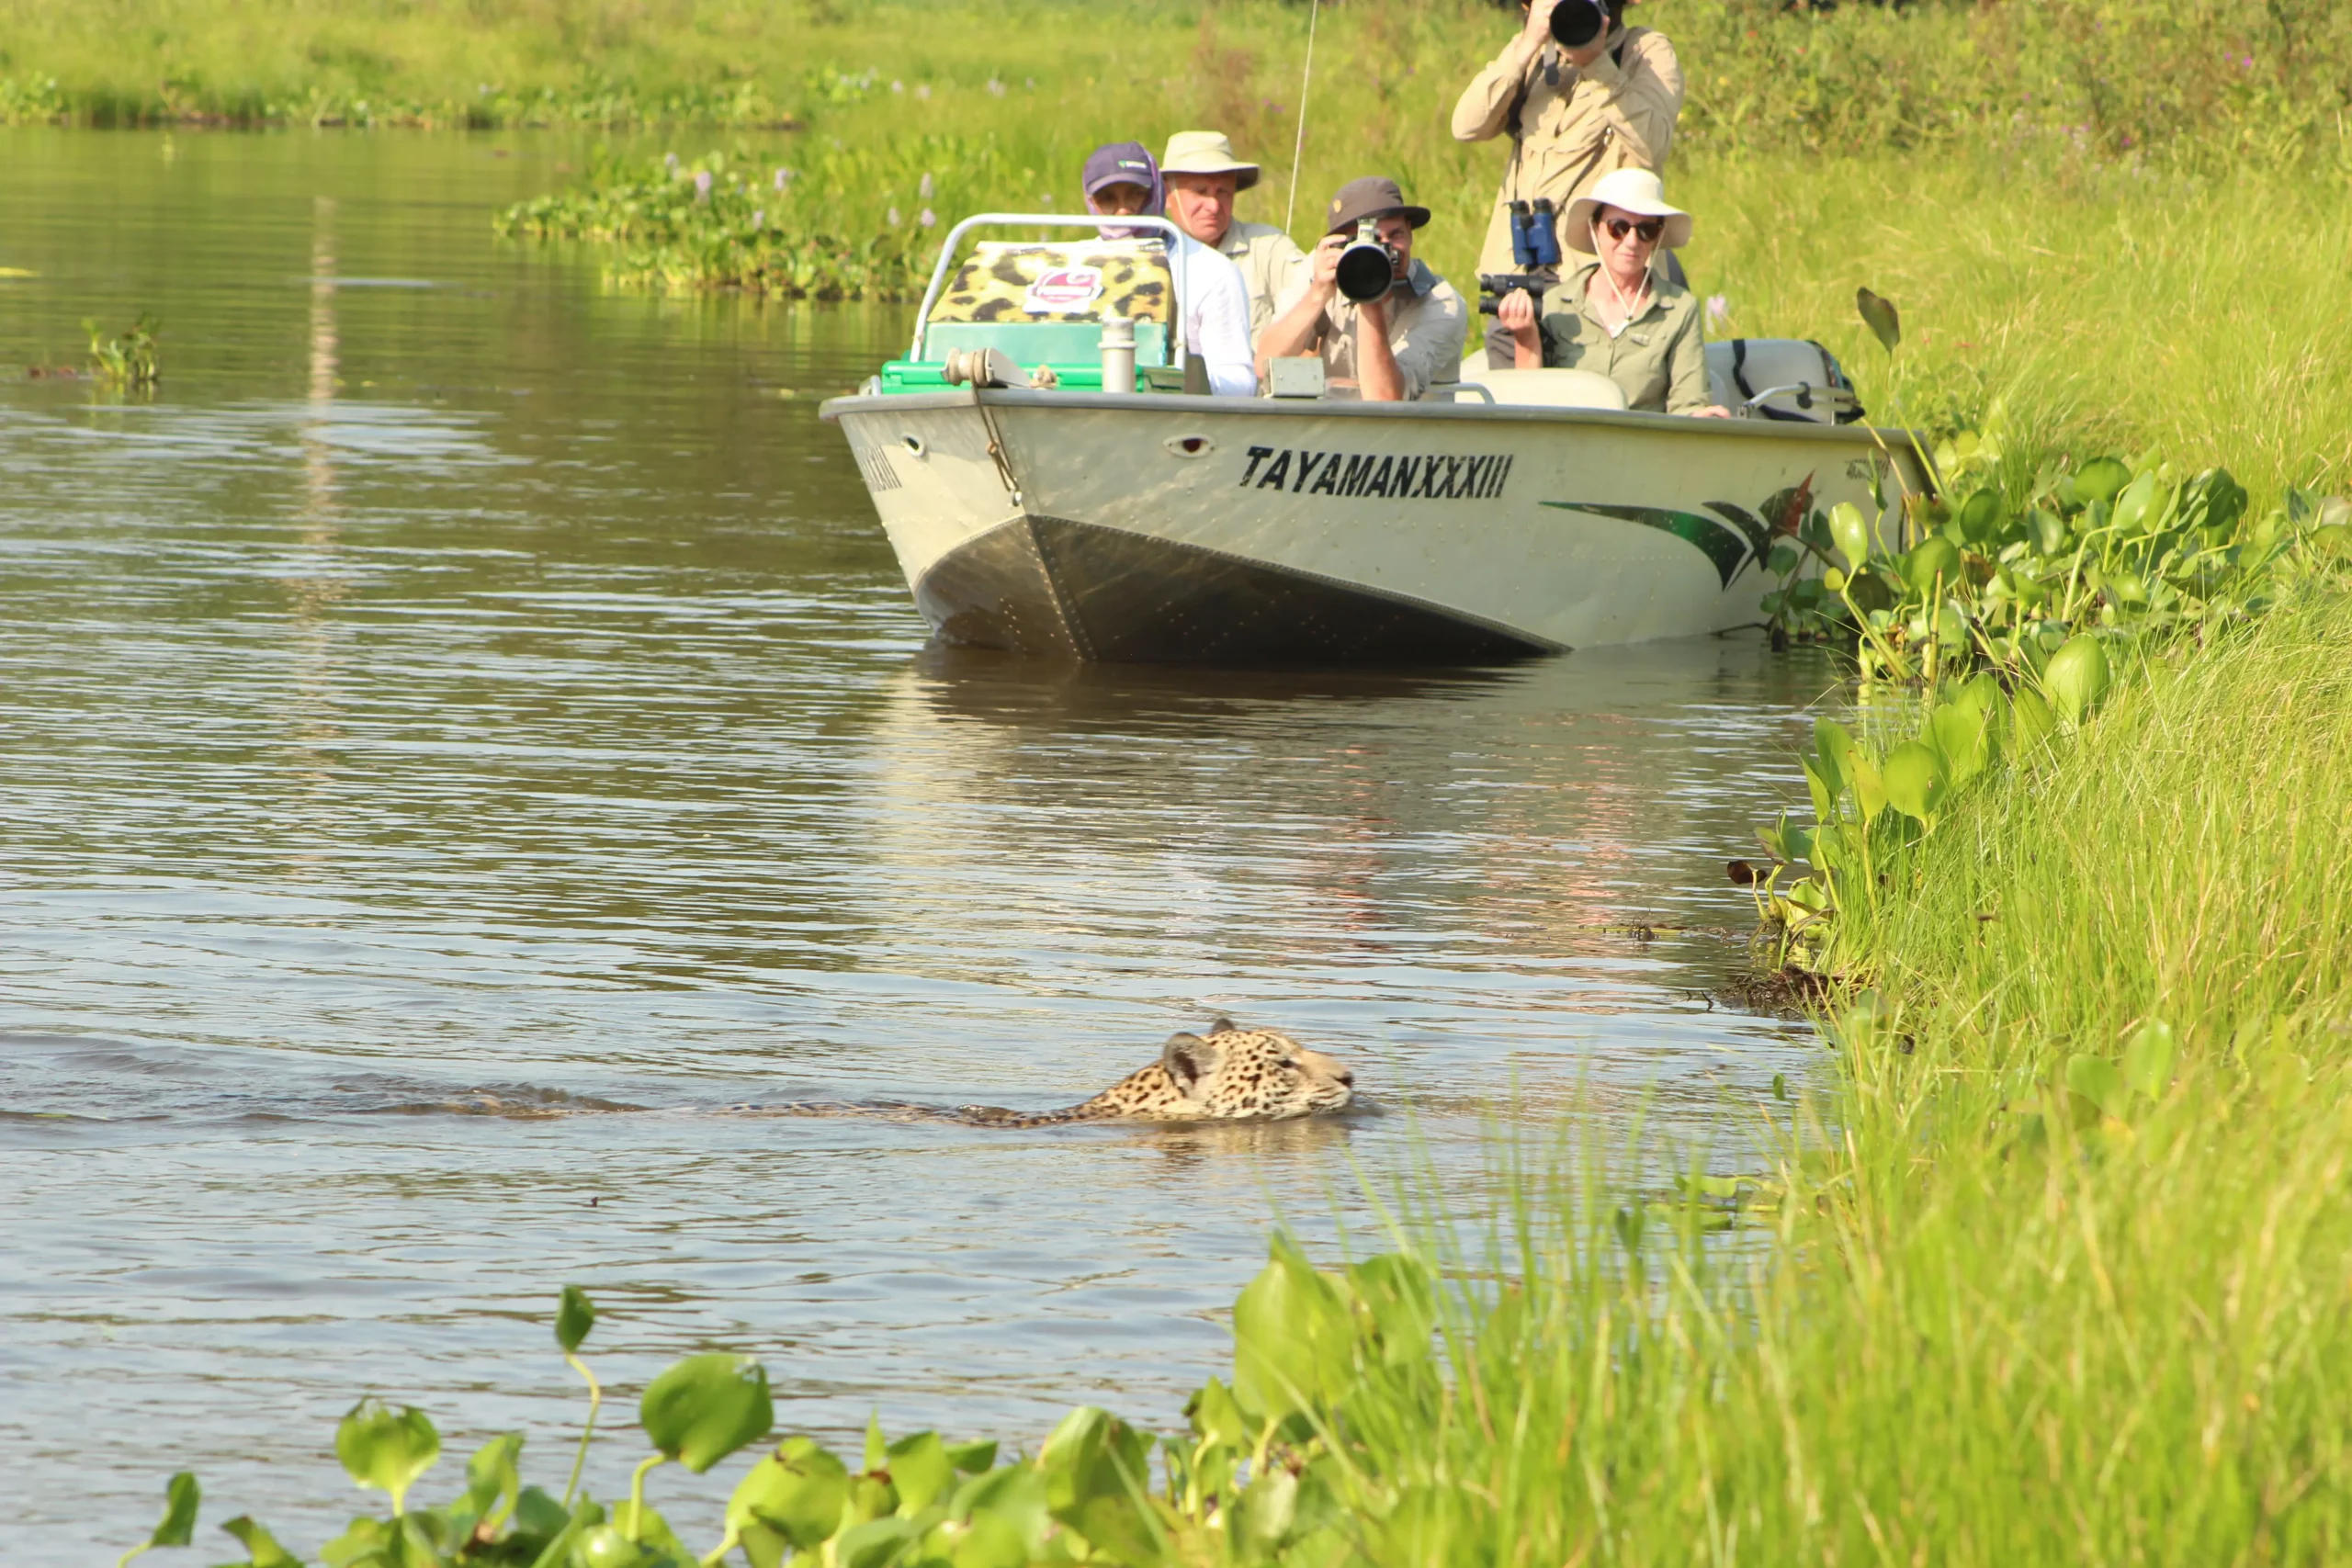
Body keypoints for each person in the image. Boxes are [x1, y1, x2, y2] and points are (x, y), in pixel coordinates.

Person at [1452, 0, 1685, 367]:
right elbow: (1466, 126)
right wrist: (1529, 42)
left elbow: (1653, 145)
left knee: (1586, 405)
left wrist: (1597, 64)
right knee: (1515, 413)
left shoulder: (1644, 51)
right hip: (1517, 277)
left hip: (1594, 282)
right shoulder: (1534, 55)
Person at [1494, 168, 1727, 417]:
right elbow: (1531, 401)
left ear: (1658, 236)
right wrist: (1525, 337)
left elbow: (1687, 403)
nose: (1632, 241)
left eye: (1646, 230)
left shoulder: (1680, 309)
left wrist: (1701, 417)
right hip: (1571, 444)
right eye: (1619, 227)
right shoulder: (1556, 304)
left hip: (1643, 445)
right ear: (1595, 229)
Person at [1253, 176, 1466, 404]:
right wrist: (1318, 294)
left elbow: (1384, 401)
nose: (1386, 250)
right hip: (1334, 429)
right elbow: (1265, 366)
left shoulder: (1442, 303)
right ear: (1338, 245)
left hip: (1414, 433)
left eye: (1395, 235)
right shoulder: (1319, 271)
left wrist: (1370, 292)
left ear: (1410, 234)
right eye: (1372, 240)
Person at [1080, 141, 1256, 399]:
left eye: (1134, 193)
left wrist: (1182, 382)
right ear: (1091, 202)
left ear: (1156, 194)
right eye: (1108, 198)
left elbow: (1239, 383)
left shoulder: (1213, 271)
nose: (1124, 210)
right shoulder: (1074, 264)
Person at [1159, 130, 1309, 344]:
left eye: (1223, 192)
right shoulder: (1151, 258)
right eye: (1200, 191)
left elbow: (1314, 316)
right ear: (1166, 194)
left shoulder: (1268, 249)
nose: (1213, 206)